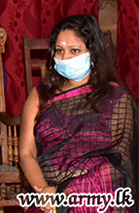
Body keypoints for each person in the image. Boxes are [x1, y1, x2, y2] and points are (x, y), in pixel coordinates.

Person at [19, 15, 138, 213]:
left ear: (93, 53)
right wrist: (45, 196)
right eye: (59, 51)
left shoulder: (117, 97)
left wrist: (64, 194)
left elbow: (121, 163)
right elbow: (26, 153)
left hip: (100, 197)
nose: (65, 58)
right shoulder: (40, 95)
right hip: (48, 196)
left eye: (74, 51)